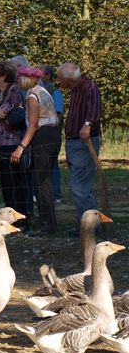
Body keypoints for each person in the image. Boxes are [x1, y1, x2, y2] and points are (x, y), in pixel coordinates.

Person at [11, 67, 60, 234]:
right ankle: (48, 221)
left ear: (26, 79)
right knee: (44, 180)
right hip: (52, 135)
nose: (17, 81)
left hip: (43, 138)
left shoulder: (32, 96)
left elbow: (32, 125)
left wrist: (20, 147)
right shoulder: (42, 91)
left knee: (41, 182)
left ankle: (48, 225)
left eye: (19, 78)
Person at [57, 62, 102, 233]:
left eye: (60, 78)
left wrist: (87, 125)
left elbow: (94, 109)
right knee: (78, 184)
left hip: (83, 142)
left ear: (69, 79)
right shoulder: (75, 90)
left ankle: (89, 226)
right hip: (73, 142)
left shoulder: (90, 87)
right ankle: (84, 222)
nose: (59, 81)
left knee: (80, 185)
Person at [0, 61, 31, 225]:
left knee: (16, 182)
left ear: (3, 76)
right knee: (5, 182)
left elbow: (4, 111)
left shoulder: (14, 90)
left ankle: (21, 218)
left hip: (12, 143)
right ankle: (9, 216)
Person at [40, 64, 64, 203]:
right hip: (41, 134)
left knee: (52, 164)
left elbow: (58, 114)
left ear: (48, 76)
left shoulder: (55, 93)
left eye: (40, 73)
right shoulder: (40, 91)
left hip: (51, 134)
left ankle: (55, 194)